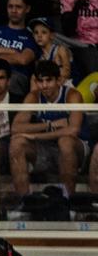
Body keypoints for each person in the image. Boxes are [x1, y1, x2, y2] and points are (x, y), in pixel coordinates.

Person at [9, 60, 86, 198]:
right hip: (46, 149)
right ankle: (24, 202)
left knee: (65, 142)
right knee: (17, 143)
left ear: (59, 80)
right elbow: (16, 128)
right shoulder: (34, 96)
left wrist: (36, 136)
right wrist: (50, 125)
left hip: (77, 148)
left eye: (49, 80)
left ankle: (67, 202)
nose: (44, 85)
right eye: (40, 81)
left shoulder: (72, 95)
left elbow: (73, 130)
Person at [29, 16, 72, 83]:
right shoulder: (38, 56)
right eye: (36, 32)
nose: (39, 35)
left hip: (67, 83)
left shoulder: (60, 49)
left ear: (52, 35)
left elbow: (67, 72)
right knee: (34, 78)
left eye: (44, 32)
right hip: (49, 85)